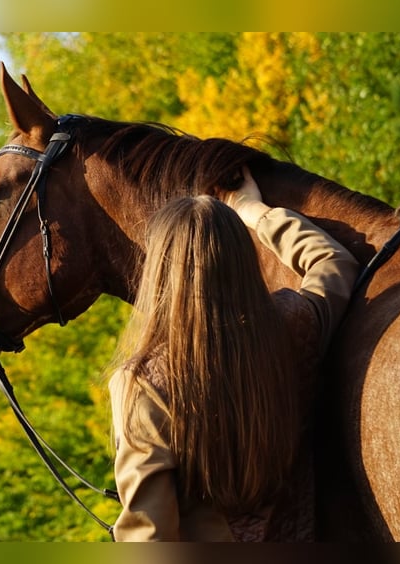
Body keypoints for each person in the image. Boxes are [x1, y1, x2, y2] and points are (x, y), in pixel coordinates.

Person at [109, 166, 360, 542]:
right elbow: (333, 263)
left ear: (159, 273)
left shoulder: (143, 382)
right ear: (244, 259)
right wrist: (254, 212)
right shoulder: (296, 324)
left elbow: (150, 538)